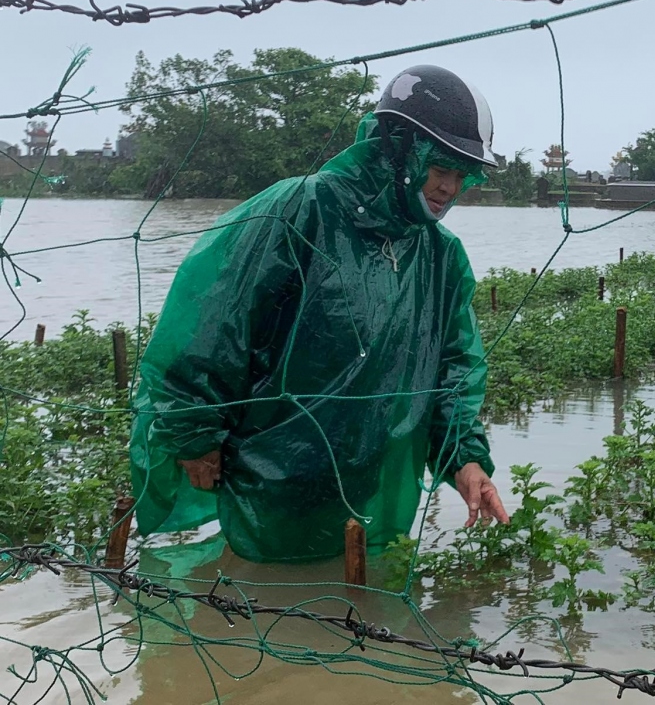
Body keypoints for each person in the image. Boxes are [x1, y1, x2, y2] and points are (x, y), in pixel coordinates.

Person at [129, 65, 510, 563]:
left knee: (350, 603)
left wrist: (464, 458)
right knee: (259, 603)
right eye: (441, 168)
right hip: (268, 470)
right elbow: (214, 323)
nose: (449, 188)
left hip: (368, 473)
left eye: (462, 176)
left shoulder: (439, 255)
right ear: (396, 149)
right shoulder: (299, 208)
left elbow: (452, 367)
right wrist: (194, 432)